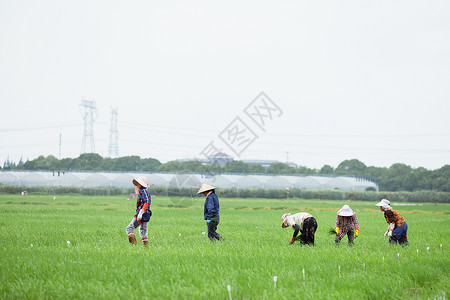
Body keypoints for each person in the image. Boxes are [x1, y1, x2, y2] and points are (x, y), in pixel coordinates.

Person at [126, 176, 152, 246]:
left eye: (138, 183)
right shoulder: (143, 191)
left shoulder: (144, 191)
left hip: (142, 214)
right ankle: (147, 249)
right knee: (143, 233)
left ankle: (134, 247)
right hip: (146, 214)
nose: (136, 184)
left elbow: (146, 202)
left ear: (141, 184)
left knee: (129, 228)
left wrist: (141, 212)